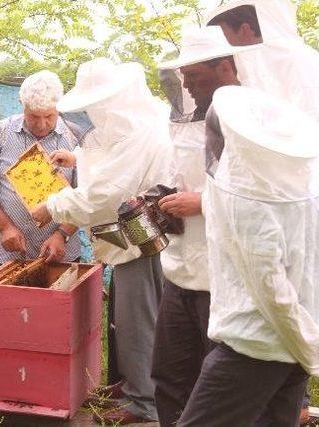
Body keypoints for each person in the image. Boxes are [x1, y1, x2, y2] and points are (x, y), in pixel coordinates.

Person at [30, 57, 171, 425]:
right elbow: (110, 155)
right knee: (125, 320)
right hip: (126, 241)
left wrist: (53, 206)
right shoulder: (132, 125)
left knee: (140, 321)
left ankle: (145, 402)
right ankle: (131, 385)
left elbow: (107, 192)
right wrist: (76, 156)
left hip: (141, 241)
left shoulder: (142, 131)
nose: (96, 111)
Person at [177, 85, 319, 427]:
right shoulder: (292, 185)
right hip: (291, 344)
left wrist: (309, 350)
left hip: (255, 347)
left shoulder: (249, 202)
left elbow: (271, 289)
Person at [151, 27, 250, 427]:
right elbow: (179, 172)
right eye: (183, 76)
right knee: (170, 374)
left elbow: (267, 194)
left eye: (193, 75)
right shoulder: (188, 119)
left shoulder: (249, 115)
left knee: (219, 383)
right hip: (180, 270)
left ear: (224, 67)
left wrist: (204, 203)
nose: (186, 84)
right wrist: (158, 196)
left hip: (225, 277)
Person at [0, 70, 81, 269]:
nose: (41, 124)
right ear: (22, 106)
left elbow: (86, 196)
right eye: (34, 116)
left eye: (49, 116)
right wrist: (5, 228)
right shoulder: (2, 132)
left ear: (59, 108)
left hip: (60, 252)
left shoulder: (75, 137)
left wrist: (62, 234)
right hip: (9, 253)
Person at [206, 0, 319, 120]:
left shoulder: (296, 58)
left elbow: (313, 114)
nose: (220, 42)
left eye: (223, 34)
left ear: (244, 29)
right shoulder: (248, 61)